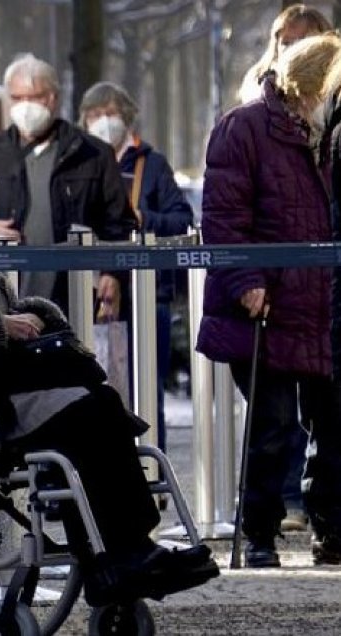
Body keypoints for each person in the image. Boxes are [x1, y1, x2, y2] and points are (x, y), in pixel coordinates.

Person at [0, 155, 218, 607]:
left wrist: (28, 321)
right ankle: (116, 557)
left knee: (99, 401)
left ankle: (126, 550)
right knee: (83, 416)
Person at [198, 33, 341, 568]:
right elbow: (223, 219)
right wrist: (247, 282)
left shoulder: (326, 135)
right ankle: (258, 532)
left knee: (331, 426)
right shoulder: (245, 128)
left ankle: (331, 529)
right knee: (271, 427)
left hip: (323, 303)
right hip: (270, 305)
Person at [0, 54, 136, 316]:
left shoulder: (92, 153)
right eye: (17, 97)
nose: (25, 106)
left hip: (77, 298)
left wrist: (113, 273)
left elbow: (119, 222)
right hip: (8, 298)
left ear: (54, 97)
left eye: (35, 97)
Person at [78, 81, 193, 455]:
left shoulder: (152, 165)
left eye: (110, 113)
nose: (103, 121)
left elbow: (181, 220)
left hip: (146, 294)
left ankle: (151, 465)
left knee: (146, 388)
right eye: (94, 115)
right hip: (90, 292)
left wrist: (144, 218)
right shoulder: (81, 161)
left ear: (126, 117)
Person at [239, 4, 331, 104]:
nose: (294, 50)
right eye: (287, 43)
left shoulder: (333, 89)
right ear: (276, 46)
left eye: (303, 43)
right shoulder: (257, 83)